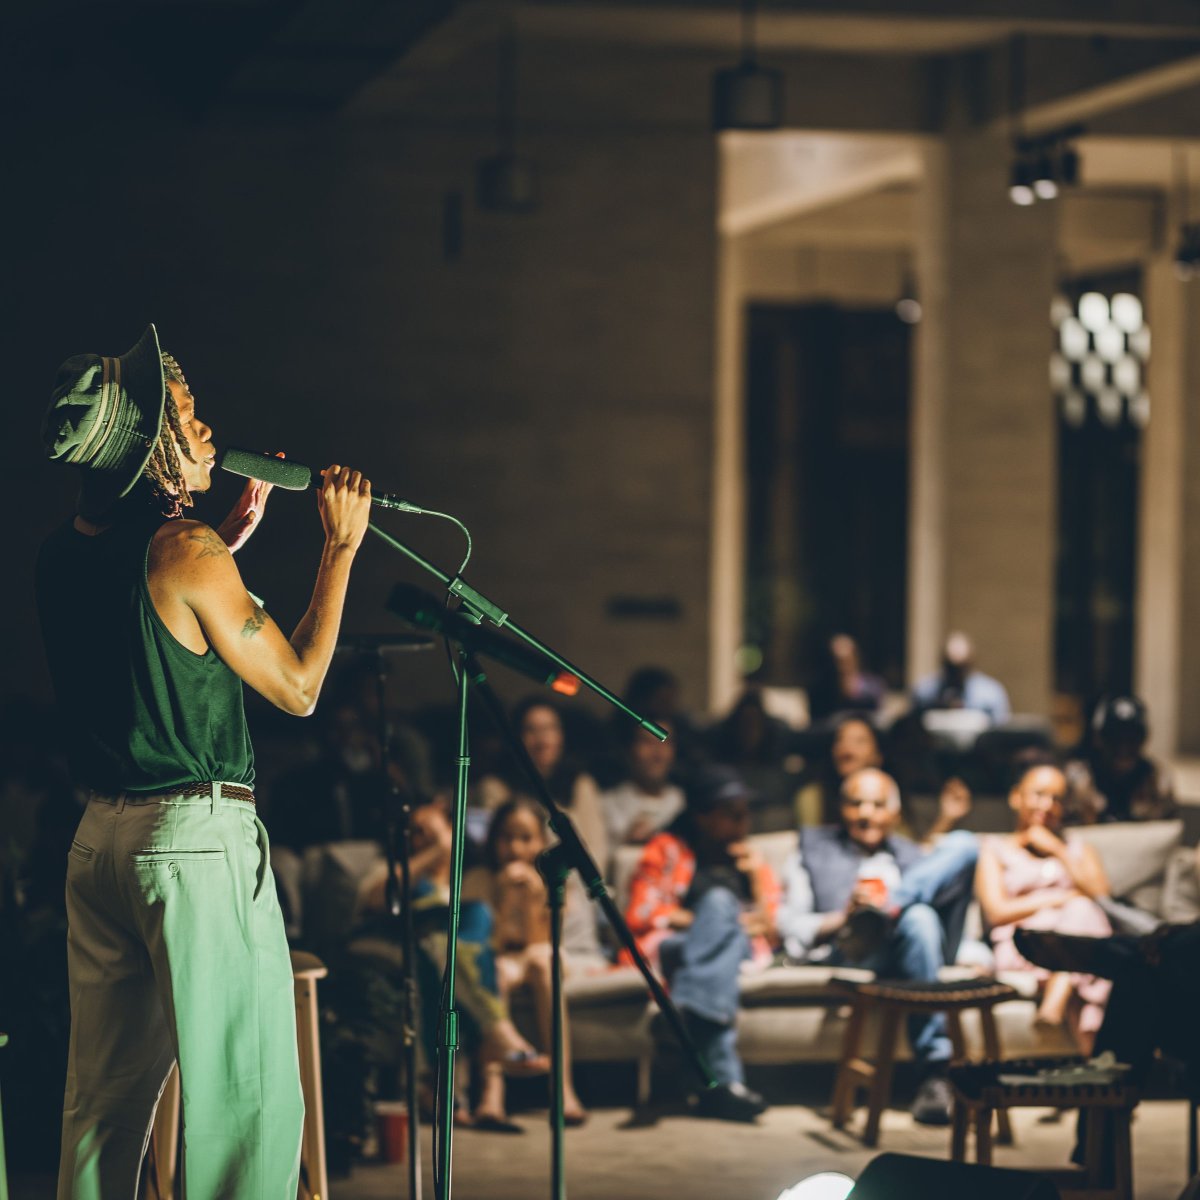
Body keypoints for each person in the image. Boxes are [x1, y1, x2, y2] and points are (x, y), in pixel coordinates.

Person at [36, 325, 373, 1198]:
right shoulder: (187, 554)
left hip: (100, 848)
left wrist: (221, 542)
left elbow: (149, 621)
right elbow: (297, 688)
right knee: (244, 1101)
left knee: (101, 1106)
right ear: (157, 450)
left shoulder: (65, 553)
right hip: (191, 846)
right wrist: (339, 548)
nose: (209, 429)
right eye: (189, 413)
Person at [777, 767, 979, 1125]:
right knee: (918, 918)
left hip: (914, 948)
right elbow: (790, 925)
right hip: (853, 950)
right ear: (842, 809)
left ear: (895, 813)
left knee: (960, 850)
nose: (866, 813)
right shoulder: (811, 850)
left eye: (877, 804)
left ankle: (891, 907)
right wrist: (845, 917)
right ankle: (936, 1071)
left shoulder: (912, 854)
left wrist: (886, 908)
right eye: (856, 804)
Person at [623, 766, 779, 1122]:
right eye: (732, 814)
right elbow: (641, 912)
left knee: (725, 938)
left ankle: (681, 1017)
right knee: (722, 908)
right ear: (703, 817)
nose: (743, 823)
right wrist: (714, 920)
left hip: (736, 953)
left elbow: (772, 932)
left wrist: (755, 879)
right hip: (675, 950)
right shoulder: (668, 849)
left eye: (746, 814)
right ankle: (724, 1084)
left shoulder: (751, 861)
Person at [462, 798, 589, 1126]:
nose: (515, 848)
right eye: (506, 837)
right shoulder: (478, 878)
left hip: (539, 953)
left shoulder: (552, 880)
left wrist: (535, 898)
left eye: (525, 838)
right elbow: (486, 942)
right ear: (493, 841)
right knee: (496, 972)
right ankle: (493, 1092)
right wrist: (503, 899)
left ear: (541, 843)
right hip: (501, 955)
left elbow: (544, 940)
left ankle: (563, 1089)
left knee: (543, 962)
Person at [975, 756, 1112, 1052]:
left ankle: (1057, 997)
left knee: (1084, 912)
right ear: (1016, 797)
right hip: (1025, 945)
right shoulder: (995, 848)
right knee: (1082, 926)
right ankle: (1103, 1082)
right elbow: (997, 912)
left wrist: (1058, 850)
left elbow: (1102, 895)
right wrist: (1059, 898)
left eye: (1057, 798)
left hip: (1078, 942)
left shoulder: (1076, 848)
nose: (1048, 805)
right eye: (1039, 794)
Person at [1063, 695, 1177, 825]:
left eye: (1133, 737)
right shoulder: (1075, 779)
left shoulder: (1158, 782)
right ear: (1098, 738)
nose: (1124, 747)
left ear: (1144, 739)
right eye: (1114, 736)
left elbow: (1168, 832)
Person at [602, 718, 685, 851]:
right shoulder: (607, 805)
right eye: (648, 742)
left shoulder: (682, 803)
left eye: (665, 742)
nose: (658, 753)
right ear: (630, 749)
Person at [911, 631, 1011, 725]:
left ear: (971, 663)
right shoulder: (925, 692)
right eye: (951, 667)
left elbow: (1001, 730)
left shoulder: (990, 694)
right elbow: (913, 728)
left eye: (961, 667)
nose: (956, 673)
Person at [807, 633, 886, 723]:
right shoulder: (820, 689)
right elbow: (816, 722)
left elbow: (878, 717)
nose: (843, 666)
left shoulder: (873, 685)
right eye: (838, 661)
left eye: (847, 660)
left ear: (856, 657)